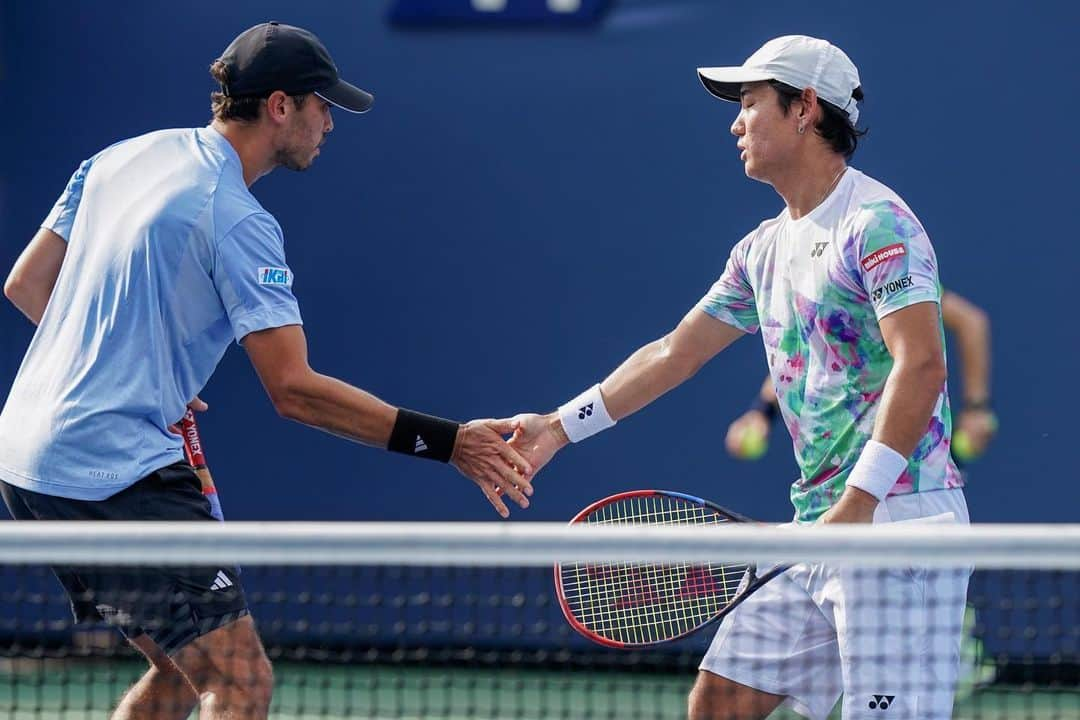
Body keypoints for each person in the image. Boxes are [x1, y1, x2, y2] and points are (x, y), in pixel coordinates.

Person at [0, 22, 533, 720]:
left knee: (179, 668)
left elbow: (27, 284)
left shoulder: (119, 157)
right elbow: (296, 392)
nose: (330, 124)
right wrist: (451, 442)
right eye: (322, 105)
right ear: (280, 106)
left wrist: (134, 372)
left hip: (25, 460)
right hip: (113, 470)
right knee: (241, 683)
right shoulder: (237, 218)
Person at [508, 36, 970, 720]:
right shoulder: (759, 249)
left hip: (898, 525)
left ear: (805, 109)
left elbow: (924, 363)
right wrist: (556, 427)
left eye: (750, 104)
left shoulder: (877, 224)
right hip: (820, 525)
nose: (735, 123)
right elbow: (674, 352)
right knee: (718, 702)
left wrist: (860, 501)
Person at [726, 290, 996, 463]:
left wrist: (975, 408)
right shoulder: (829, 291)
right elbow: (804, 352)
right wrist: (762, 411)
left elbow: (971, 321)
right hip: (844, 462)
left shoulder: (893, 282)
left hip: (913, 461)